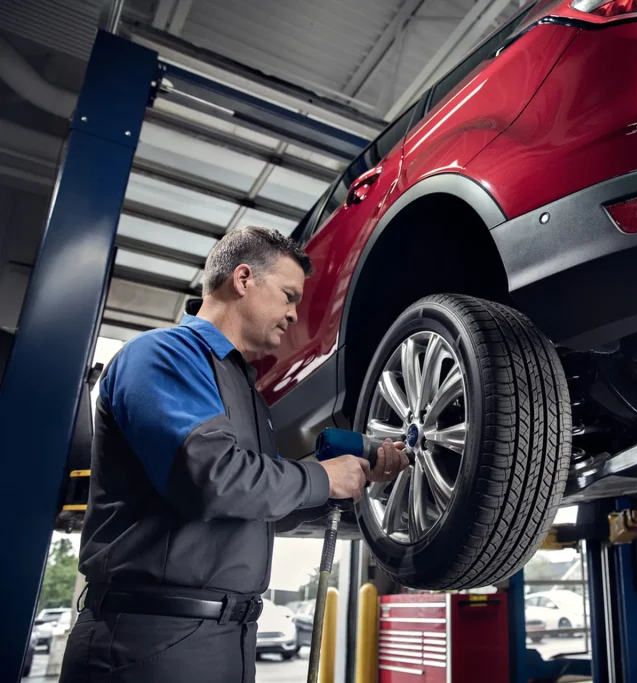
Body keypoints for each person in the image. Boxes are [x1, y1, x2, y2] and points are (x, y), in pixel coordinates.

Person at [59, 226, 409, 683]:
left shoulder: (247, 392)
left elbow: (259, 511)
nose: (293, 313)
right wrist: (322, 477)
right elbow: (212, 480)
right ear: (243, 278)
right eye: (287, 295)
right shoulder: (162, 355)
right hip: (149, 639)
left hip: (230, 639)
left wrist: (351, 480)